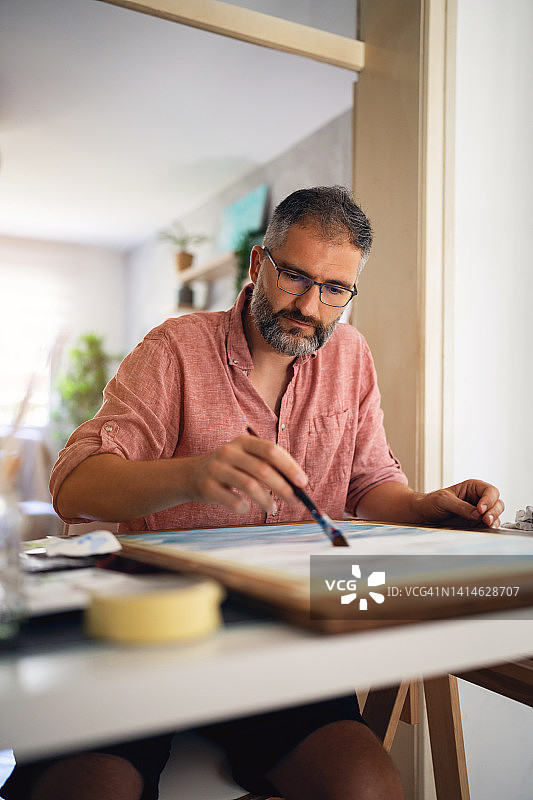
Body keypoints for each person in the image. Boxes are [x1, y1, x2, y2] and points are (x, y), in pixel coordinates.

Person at [2, 186, 503, 800]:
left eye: (334, 289)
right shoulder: (175, 348)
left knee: (368, 786)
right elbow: (72, 485)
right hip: (143, 635)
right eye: (294, 276)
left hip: (277, 635)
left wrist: (424, 506)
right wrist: (191, 473)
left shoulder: (350, 356)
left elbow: (370, 483)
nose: (310, 304)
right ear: (258, 265)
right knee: (90, 789)